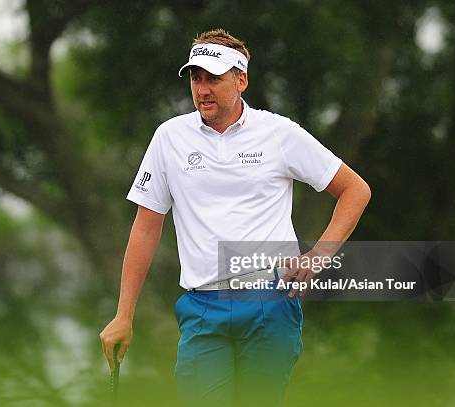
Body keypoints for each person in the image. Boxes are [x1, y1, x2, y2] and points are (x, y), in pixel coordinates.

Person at [100, 28, 371, 406]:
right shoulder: (169, 138)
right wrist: (123, 315)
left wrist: (318, 256)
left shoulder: (278, 133)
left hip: (270, 302)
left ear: (241, 79)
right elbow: (146, 227)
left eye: (214, 77)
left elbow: (355, 190)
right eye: (196, 77)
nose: (202, 88)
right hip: (202, 307)